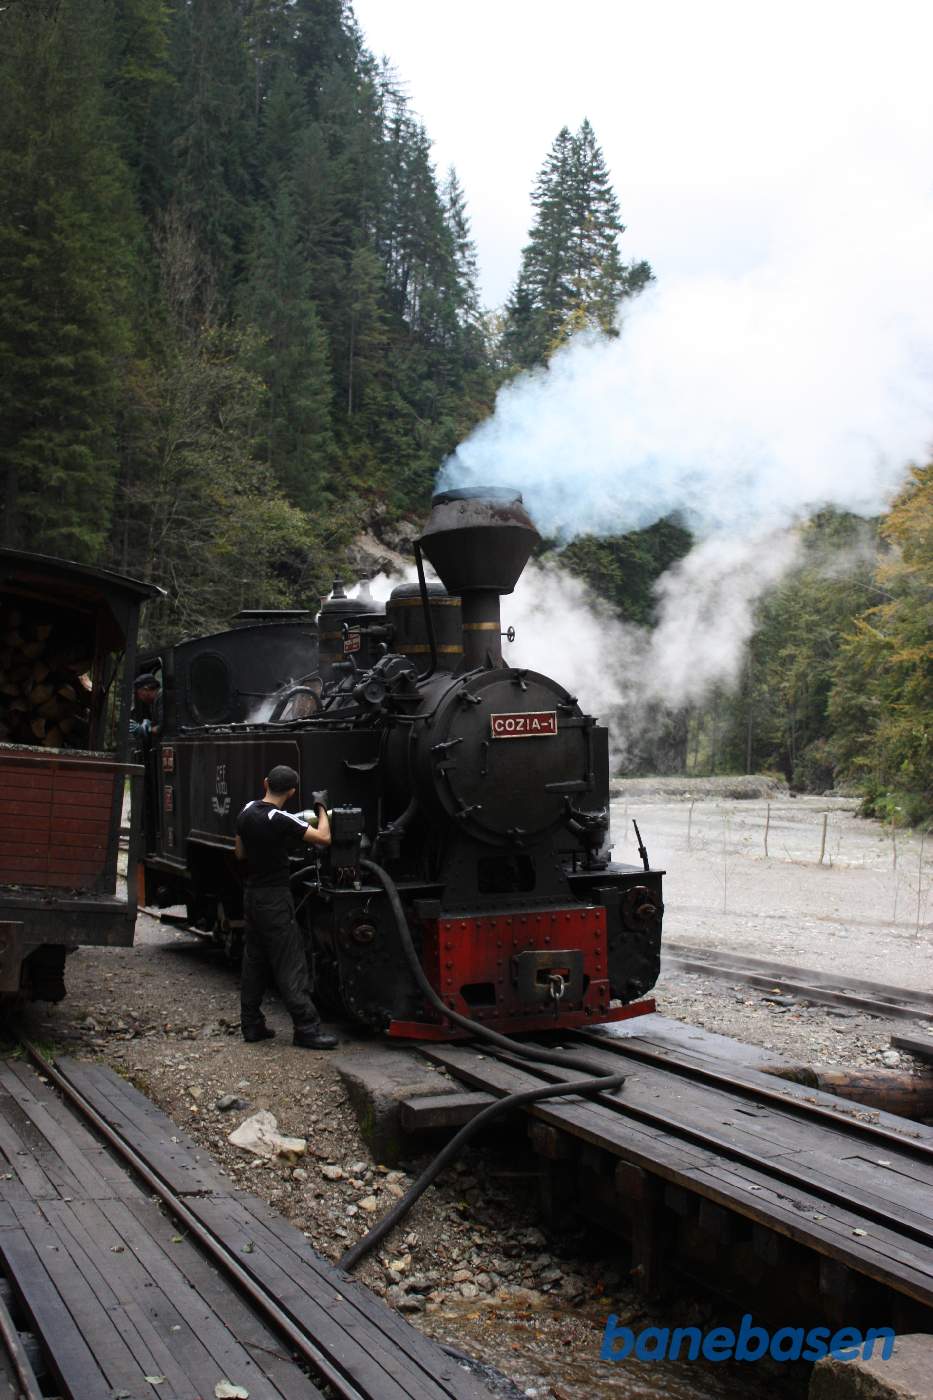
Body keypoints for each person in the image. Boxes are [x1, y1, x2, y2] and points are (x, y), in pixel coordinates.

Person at [234, 765, 337, 1049]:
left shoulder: (246, 811)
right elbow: (324, 839)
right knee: (290, 962)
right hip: (275, 899)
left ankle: (251, 1025)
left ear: (265, 782)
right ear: (291, 792)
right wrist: (322, 809)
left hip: (252, 896)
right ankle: (306, 1028)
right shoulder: (280, 818)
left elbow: (240, 852)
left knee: (254, 961)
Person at [130, 673, 161, 740]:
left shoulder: (161, 697)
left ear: (146, 689)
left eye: (140, 694)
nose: (140, 698)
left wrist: (146, 729)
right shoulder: (153, 702)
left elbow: (164, 728)